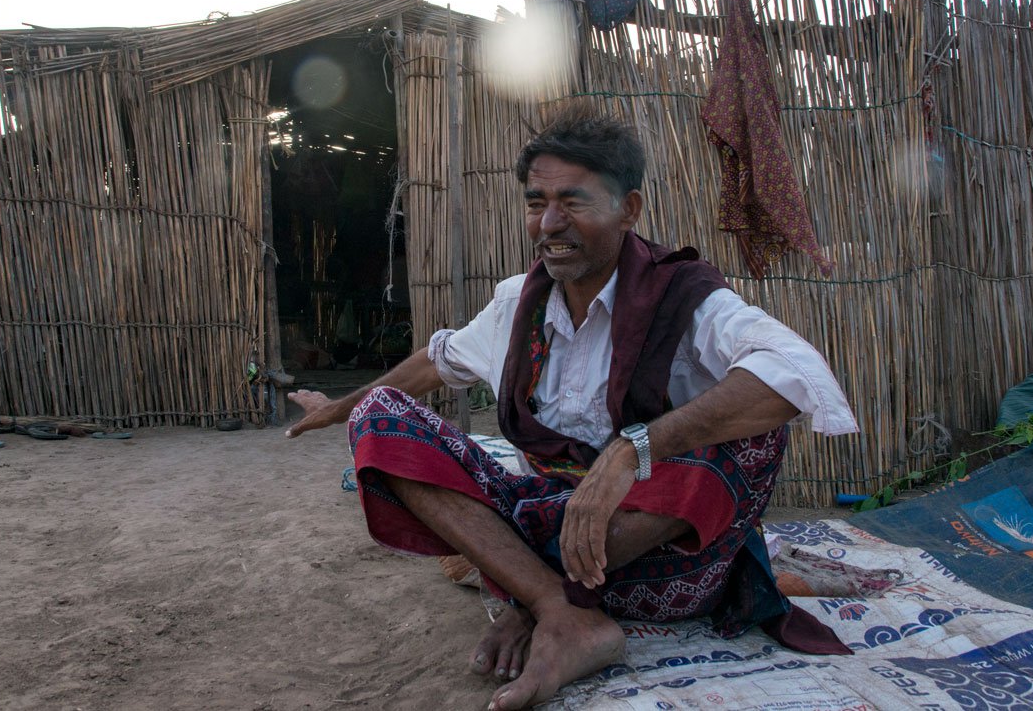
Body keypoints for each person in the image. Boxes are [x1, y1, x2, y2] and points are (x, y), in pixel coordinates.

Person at [286, 107, 857, 710]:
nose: (549, 224)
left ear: (629, 209)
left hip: (656, 562)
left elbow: (798, 374)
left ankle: (526, 592)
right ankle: (558, 608)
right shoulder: (519, 302)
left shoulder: (687, 300)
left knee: (753, 430)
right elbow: (438, 362)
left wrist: (629, 453)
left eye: (573, 202)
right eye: (537, 203)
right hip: (549, 530)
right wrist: (342, 406)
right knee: (382, 417)